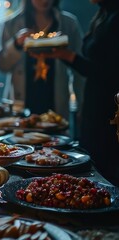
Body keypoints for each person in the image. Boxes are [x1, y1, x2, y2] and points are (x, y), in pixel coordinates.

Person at [39, 0, 119, 185]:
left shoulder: (115, 19)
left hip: (108, 109)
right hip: (95, 104)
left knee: (105, 172)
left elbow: (109, 73)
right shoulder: (104, 13)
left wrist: (68, 56)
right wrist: (64, 55)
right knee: (93, 169)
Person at [0, 0, 85, 117]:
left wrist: (81, 106)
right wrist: (16, 44)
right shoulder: (11, 24)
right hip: (22, 102)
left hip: (56, 102)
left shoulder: (69, 24)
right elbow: (2, 66)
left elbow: (80, 70)